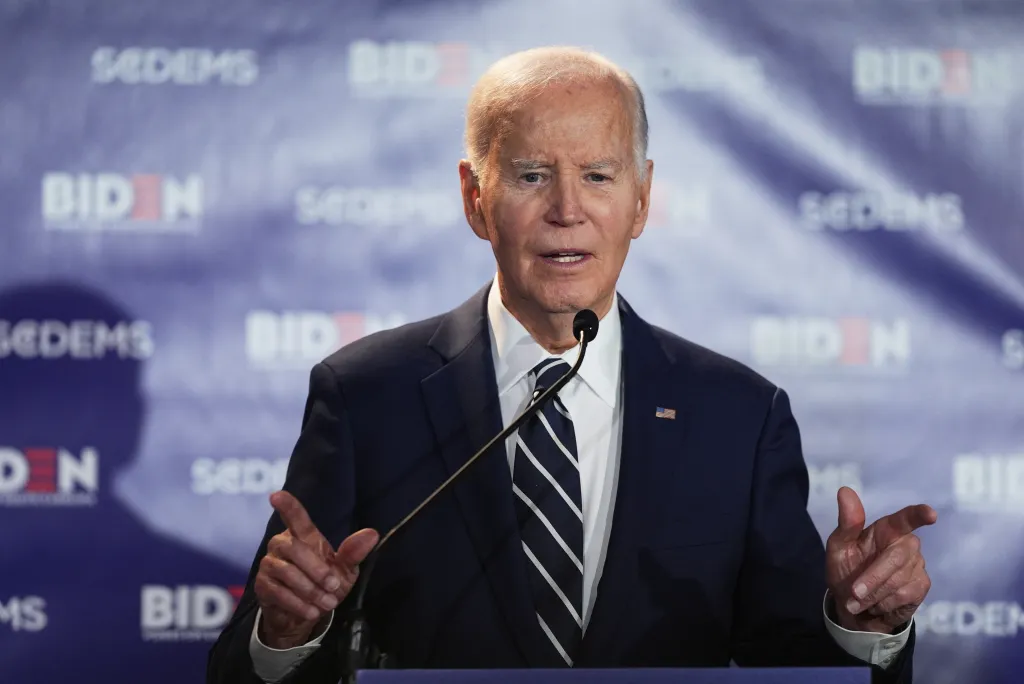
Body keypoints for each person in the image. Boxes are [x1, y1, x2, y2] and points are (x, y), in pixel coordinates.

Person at [207, 46, 936, 684]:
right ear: (475, 198)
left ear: (641, 198)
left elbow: (796, 665)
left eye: (597, 175)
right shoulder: (366, 396)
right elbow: (242, 668)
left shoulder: (738, 416)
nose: (567, 209)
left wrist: (858, 624)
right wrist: (290, 632)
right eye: (531, 175)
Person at [0, 282, 244, 684]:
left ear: (131, 421)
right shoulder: (227, 596)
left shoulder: (236, 610)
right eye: (23, 400)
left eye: (76, 405)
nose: (61, 429)